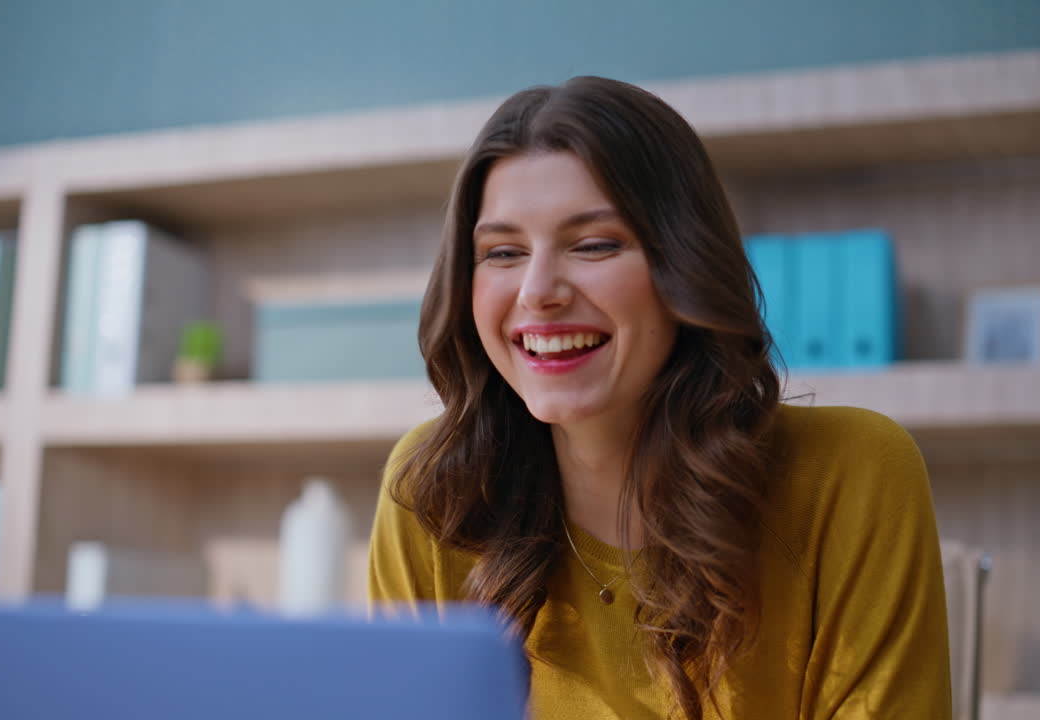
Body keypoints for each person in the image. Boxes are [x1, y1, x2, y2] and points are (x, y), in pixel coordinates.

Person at [367, 75, 951, 720]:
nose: (537, 291)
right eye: (502, 252)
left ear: (685, 263)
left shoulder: (853, 473)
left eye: (594, 245)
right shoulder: (437, 493)